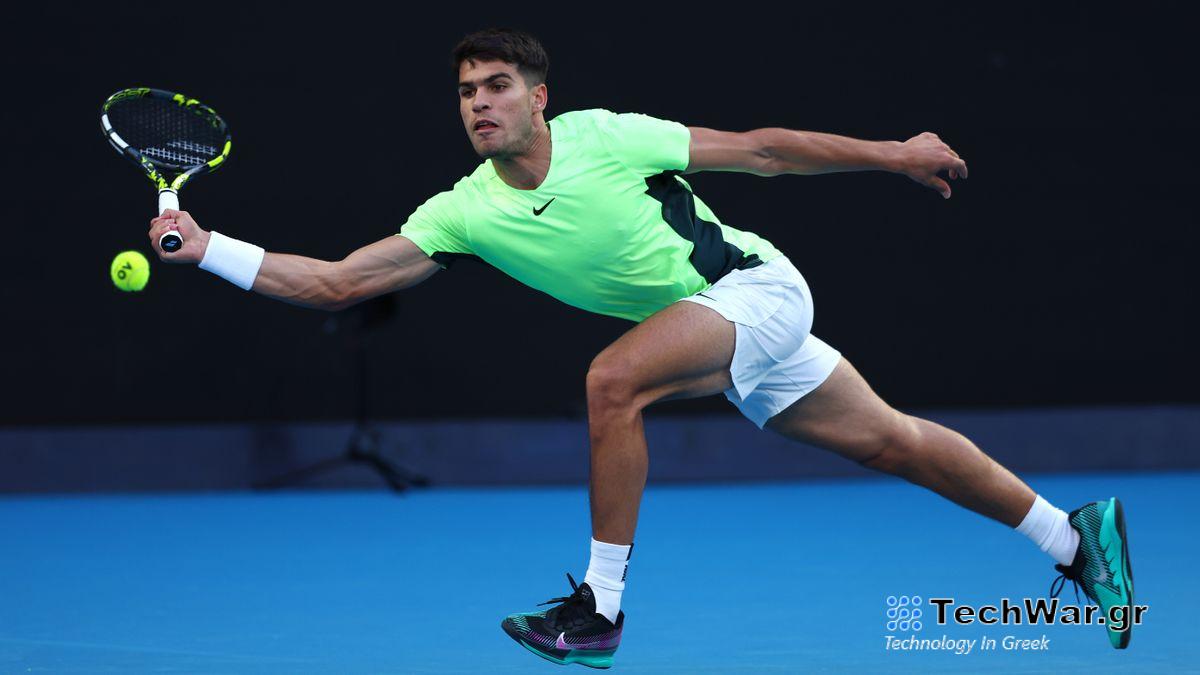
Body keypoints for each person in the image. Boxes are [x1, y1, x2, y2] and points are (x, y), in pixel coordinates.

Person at [148, 27, 1134, 668]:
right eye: (464, 92)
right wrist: (206, 251)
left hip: (754, 289)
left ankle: (600, 606)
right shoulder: (462, 212)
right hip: (730, 333)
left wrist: (896, 155)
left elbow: (760, 148)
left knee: (611, 381)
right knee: (896, 444)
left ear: (540, 97)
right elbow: (337, 282)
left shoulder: (606, 137)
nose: (479, 103)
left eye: (498, 86)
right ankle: (1071, 535)